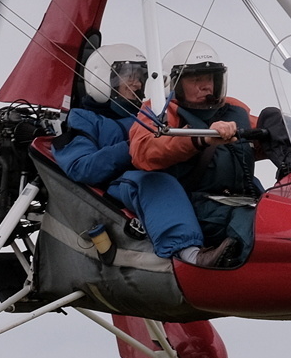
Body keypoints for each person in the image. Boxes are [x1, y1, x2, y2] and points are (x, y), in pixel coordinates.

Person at [52, 44, 223, 267]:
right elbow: (81, 168)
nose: (137, 83)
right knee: (156, 182)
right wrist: (133, 147)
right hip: (120, 184)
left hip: (166, 174)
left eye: (140, 76)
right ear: (101, 79)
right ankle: (189, 253)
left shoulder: (153, 113)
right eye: (127, 76)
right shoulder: (84, 119)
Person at [128, 40, 267, 267]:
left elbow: (263, 137)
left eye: (211, 78)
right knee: (253, 223)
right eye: (196, 79)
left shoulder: (233, 111)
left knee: (277, 215)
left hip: (241, 201)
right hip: (196, 203)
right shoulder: (161, 111)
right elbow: (144, 151)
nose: (207, 86)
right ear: (175, 83)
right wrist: (199, 138)